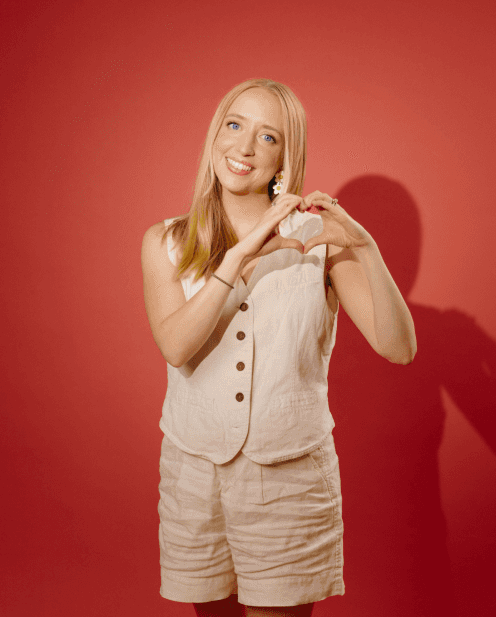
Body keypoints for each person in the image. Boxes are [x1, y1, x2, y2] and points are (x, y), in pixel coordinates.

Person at [139, 78, 416, 617]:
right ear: (215, 134)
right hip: (194, 475)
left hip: (289, 477)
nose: (243, 148)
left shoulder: (318, 240)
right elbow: (176, 346)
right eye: (235, 125)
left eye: (268, 137)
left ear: (286, 159)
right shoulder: (167, 241)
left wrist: (365, 245)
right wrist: (238, 258)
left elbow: (399, 347)